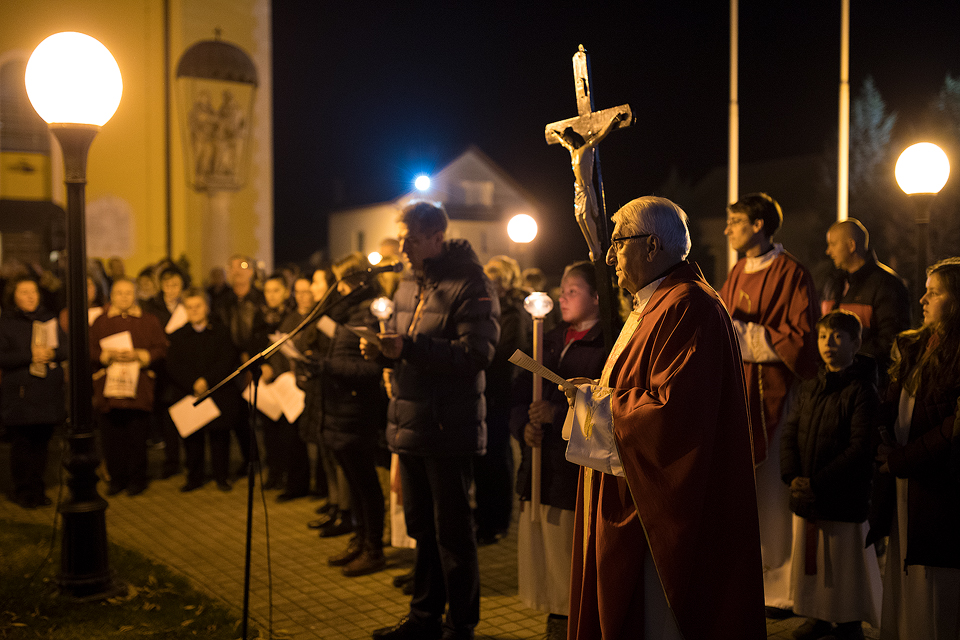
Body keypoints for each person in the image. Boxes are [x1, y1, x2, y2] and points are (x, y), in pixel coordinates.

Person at [561, 196, 764, 640]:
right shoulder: (656, 301)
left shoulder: (687, 306)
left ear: (652, 246)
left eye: (619, 242)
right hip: (632, 484)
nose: (610, 256)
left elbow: (674, 415)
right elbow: (637, 388)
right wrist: (593, 392)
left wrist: (601, 405)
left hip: (659, 507)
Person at [362, 201, 500, 640]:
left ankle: (460, 626)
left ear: (435, 237)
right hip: (410, 421)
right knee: (422, 528)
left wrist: (408, 350)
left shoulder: (470, 283)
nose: (401, 246)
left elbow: (478, 354)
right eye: (399, 236)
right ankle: (424, 618)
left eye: (409, 238)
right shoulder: (407, 282)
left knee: (453, 535)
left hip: (447, 427)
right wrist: (383, 355)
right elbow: (404, 344)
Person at [718, 192, 819, 613]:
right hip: (741, 392)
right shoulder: (737, 269)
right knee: (747, 492)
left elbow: (800, 339)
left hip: (776, 394)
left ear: (759, 224)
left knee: (774, 492)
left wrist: (742, 335)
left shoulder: (792, 271)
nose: (727, 229)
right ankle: (752, 580)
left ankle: (781, 586)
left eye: (736, 221)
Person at [509, 260, 608, 640]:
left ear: (597, 298)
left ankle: (575, 622)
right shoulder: (547, 339)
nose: (563, 298)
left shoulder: (606, 345)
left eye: (573, 291)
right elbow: (518, 395)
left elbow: (603, 406)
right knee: (544, 556)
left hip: (572, 474)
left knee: (571, 557)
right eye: (561, 290)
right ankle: (556, 619)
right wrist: (524, 427)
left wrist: (559, 412)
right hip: (539, 469)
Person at [871, 258, 960, 639]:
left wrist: (899, 460)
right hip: (905, 479)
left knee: (934, 580)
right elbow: (894, 403)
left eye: (934, 292)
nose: (923, 299)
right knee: (905, 570)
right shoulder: (917, 344)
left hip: (938, 485)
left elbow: (952, 428)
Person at [780, 310, 882, 640]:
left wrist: (817, 483)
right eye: (823, 336)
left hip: (841, 494)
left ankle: (849, 621)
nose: (828, 344)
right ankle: (818, 615)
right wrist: (792, 476)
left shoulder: (863, 390)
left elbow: (859, 447)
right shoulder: (810, 386)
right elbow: (790, 432)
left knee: (843, 561)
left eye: (838, 337)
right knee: (816, 564)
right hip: (808, 493)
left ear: (856, 343)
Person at [314, 252, 388, 576]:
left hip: (358, 412)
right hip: (342, 409)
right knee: (356, 483)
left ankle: (373, 548)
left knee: (366, 483)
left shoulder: (368, 314)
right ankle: (359, 540)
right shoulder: (348, 313)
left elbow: (370, 368)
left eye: (341, 281)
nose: (337, 288)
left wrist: (326, 366)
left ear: (356, 280)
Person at [90, 278, 168, 496]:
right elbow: (89, 348)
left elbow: (161, 348)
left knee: (136, 437)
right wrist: (106, 356)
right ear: (111, 296)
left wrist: (141, 356)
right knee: (112, 439)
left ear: (135, 295)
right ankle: (116, 479)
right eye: (119, 293)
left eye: (128, 293)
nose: (123, 297)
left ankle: (137, 479)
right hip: (109, 390)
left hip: (138, 388)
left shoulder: (149, 321)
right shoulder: (100, 322)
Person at [0, 276, 67, 508]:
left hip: (46, 393)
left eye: (34, 292)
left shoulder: (48, 319)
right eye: (24, 292)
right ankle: (23, 491)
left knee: (41, 444)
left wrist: (53, 354)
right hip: (20, 395)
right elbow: (3, 356)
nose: (31, 296)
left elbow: (65, 348)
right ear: (14, 297)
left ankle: (38, 488)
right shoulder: (6, 322)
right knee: (22, 445)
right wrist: (30, 356)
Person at [166, 287, 242, 492]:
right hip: (189, 392)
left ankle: (221, 476)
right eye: (189, 307)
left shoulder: (221, 331)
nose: (194, 311)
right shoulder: (178, 336)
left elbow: (226, 359)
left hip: (217, 391)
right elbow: (174, 365)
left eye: (198, 306)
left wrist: (207, 381)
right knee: (192, 440)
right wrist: (193, 382)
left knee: (219, 438)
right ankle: (194, 477)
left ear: (206, 307)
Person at [477, 255, 530, 545]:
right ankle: (484, 514)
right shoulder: (489, 309)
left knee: (498, 457)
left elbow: (510, 354)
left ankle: (497, 520)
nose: (491, 284)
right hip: (486, 392)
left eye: (496, 278)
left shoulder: (513, 312)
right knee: (484, 457)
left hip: (501, 393)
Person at [822, 218, 911, 385]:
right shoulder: (833, 284)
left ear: (851, 245)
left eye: (833, 244)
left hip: (868, 384)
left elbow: (891, 340)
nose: (828, 251)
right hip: (835, 383)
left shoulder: (887, 285)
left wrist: (848, 359)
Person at [213, 254, 267, 476]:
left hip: (253, 365)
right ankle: (248, 460)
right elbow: (219, 333)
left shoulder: (260, 301)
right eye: (232, 267)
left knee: (258, 417)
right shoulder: (222, 301)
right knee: (237, 417)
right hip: (229, 366)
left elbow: (263, 333)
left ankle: (261, 461)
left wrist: (251, 355)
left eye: (243, 266)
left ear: (252, 271)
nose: (237, 271)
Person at [142, 265, 189, 479]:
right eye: (167, 285)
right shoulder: (152, 307)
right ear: (161, 286)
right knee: (167, 417)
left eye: (175, 285)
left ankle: (190, 460)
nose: (171, 289)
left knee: (187, 414)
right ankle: (171, 461)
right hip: (163, 368)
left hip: (184, 366)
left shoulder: (187, 305)